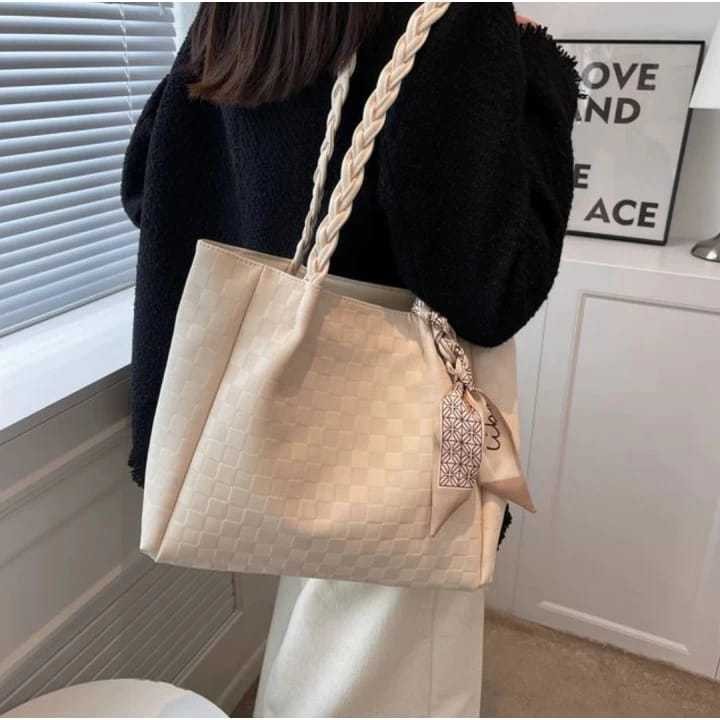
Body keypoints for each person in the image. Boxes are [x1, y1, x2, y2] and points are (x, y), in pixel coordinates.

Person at [122, 3, 580, 716]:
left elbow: (144, 188)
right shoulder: (453, 19)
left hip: (262, 413)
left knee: (320, 639)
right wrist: (541, 70)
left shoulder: (239, 14)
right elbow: (491, 291)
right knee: (400, 668)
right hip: (399, 435)